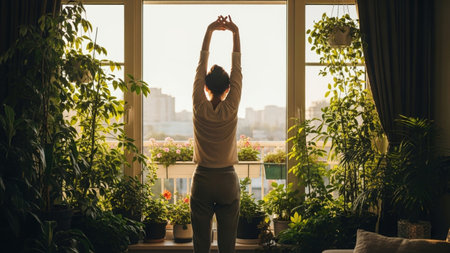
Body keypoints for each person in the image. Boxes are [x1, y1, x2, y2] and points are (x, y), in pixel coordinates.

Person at [190, 15, 242, 253]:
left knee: (201, 244)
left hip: (202, 178)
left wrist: (210, 30)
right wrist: (235, 32)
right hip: (227, 180)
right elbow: (237, 69)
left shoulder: (199, 105)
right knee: (228, 245)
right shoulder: (231, 107)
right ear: (229, 87)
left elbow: (200, 66)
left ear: (205, 86)